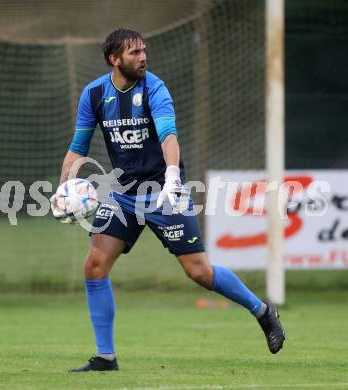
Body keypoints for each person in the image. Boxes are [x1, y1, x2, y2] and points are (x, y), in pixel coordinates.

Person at [50, 28, 285, 372]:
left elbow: (168, 135)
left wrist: (173, 176)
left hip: (162, 191)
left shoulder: (155, 88)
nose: (143, 57)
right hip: (124, 194)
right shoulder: (95, 94)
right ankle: (105, 358)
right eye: (134, 53)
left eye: (143, 50)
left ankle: (263, 312)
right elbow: (78, 148)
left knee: (199, 272)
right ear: (114, 59)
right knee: (94, 266)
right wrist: (62, 189)